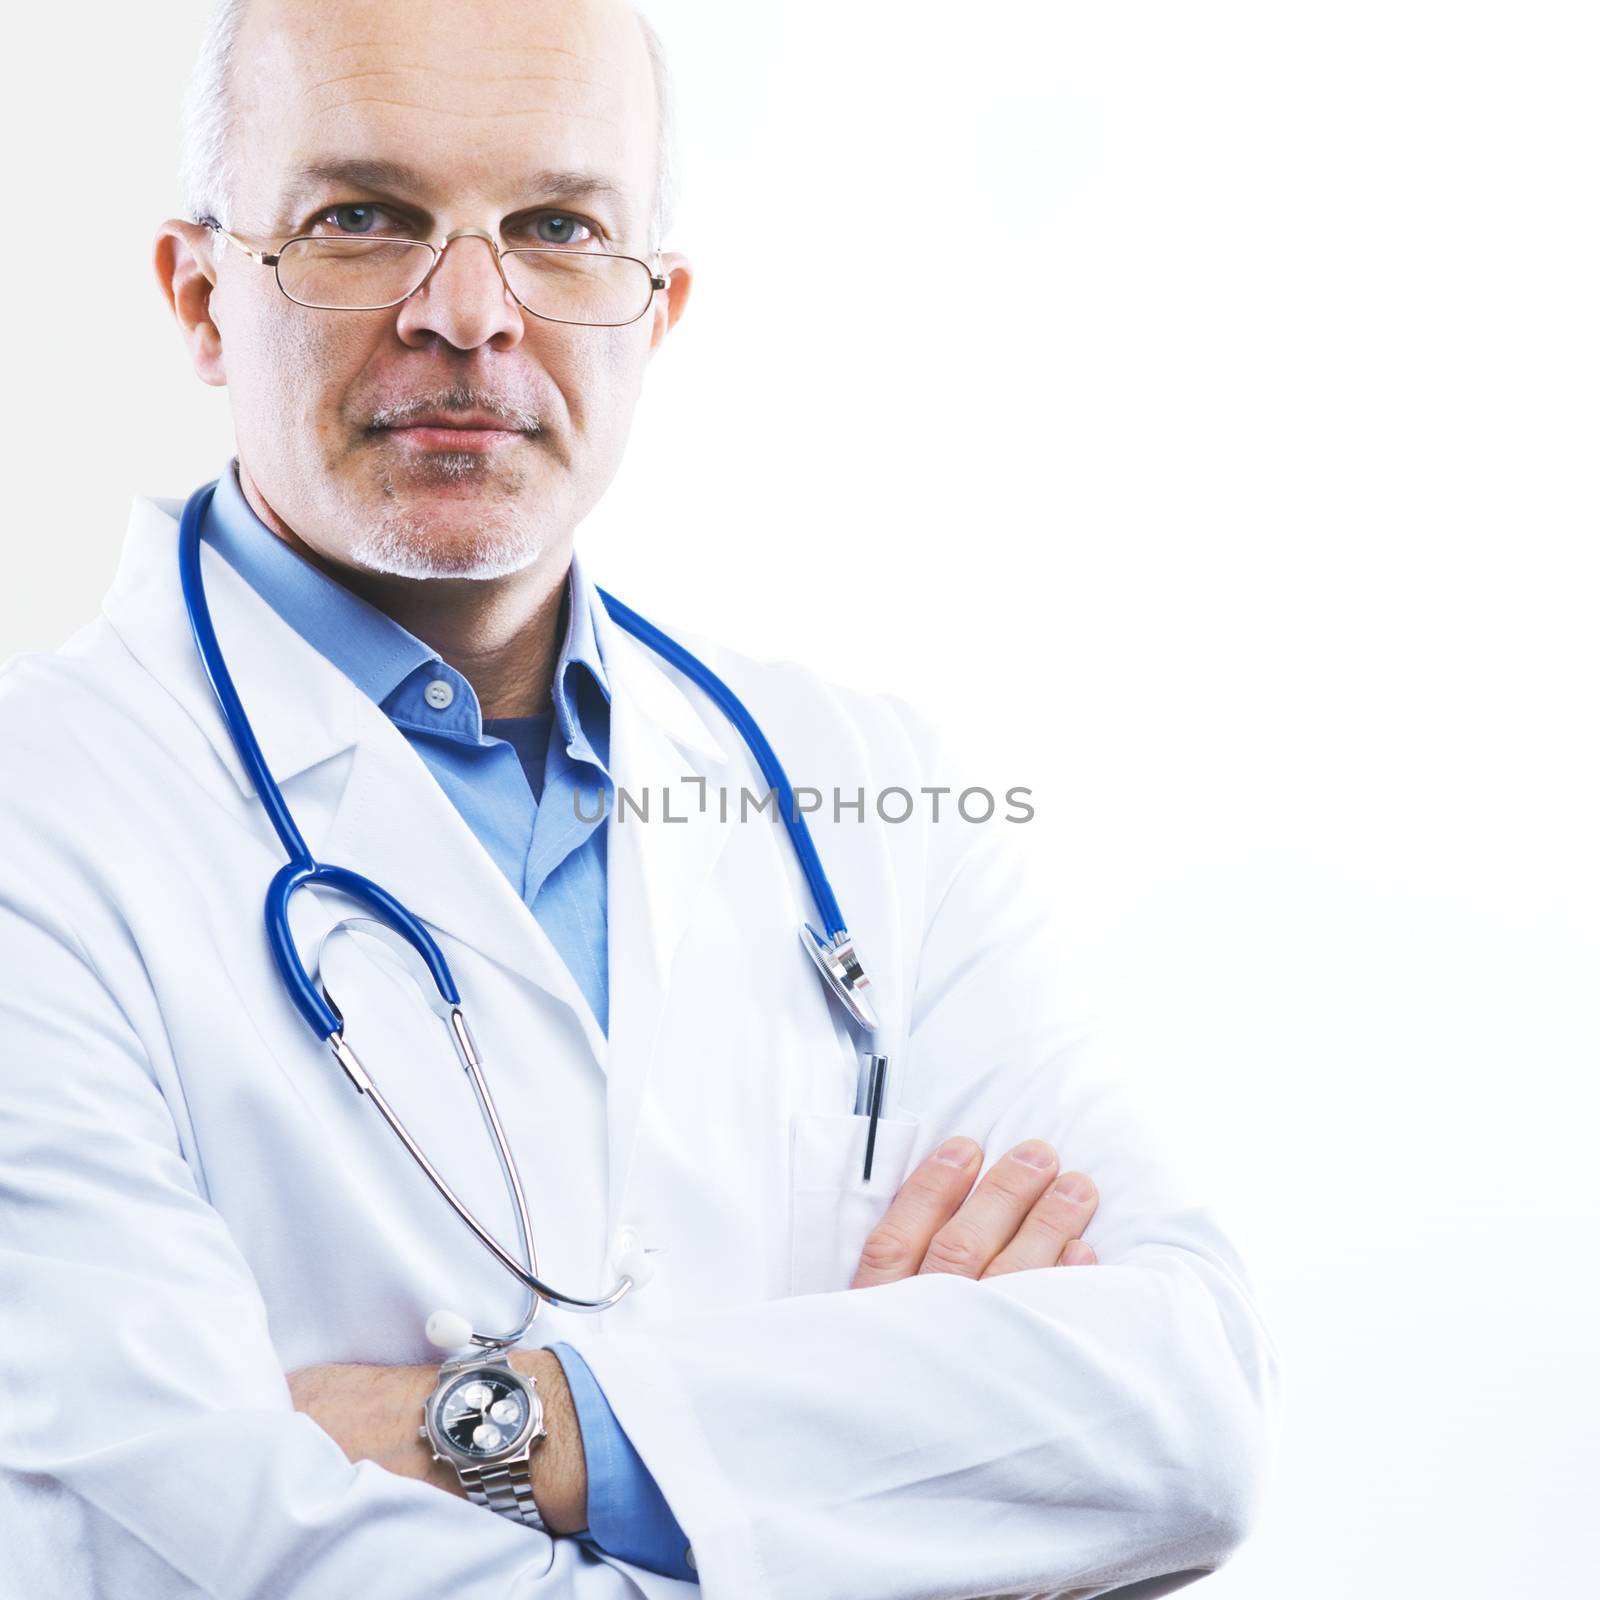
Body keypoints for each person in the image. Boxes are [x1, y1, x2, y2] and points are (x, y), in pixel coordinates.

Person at [0, 1, 1280, 1595]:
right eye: (362, 218)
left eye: (557, 226)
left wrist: (495, 1429)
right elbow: (186, 1548)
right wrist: (903, 1489)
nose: (468, 312)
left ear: (656, 310)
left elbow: (1187, 1414)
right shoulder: (39, 817)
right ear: (200, 296)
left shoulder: (863, 787)